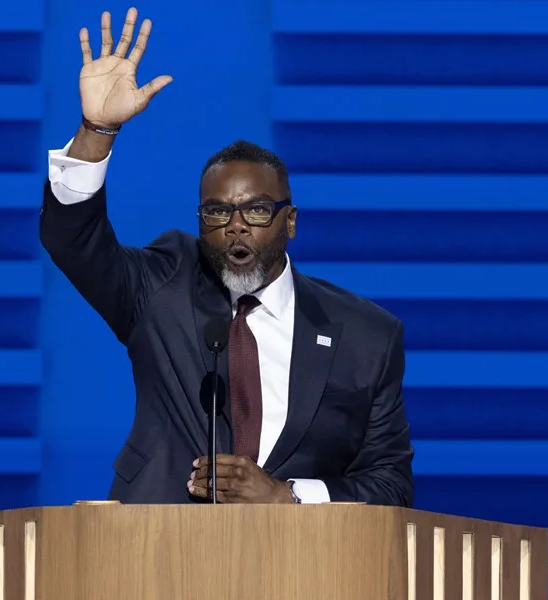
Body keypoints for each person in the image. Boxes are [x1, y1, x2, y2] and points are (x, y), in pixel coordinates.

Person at [40, 7, 414, 506]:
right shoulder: (162, 286)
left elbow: (390, 485)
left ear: (290, 221)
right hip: (154, 544)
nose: (236, 225)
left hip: (299, 554)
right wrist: (96, 130)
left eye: (257, 210)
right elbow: (73, 239)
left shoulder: (366, 335)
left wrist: (286, 497)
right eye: (218, 212)